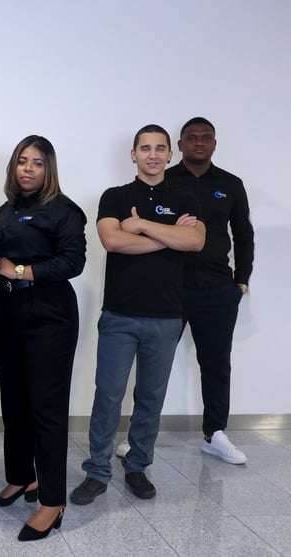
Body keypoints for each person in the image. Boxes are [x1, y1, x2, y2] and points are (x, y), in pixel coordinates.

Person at [70, 125, 205, 506]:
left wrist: (143, 226)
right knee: (108, 396)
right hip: (120, 315)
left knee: (150, 398)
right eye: (145, 148)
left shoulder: (184, 197)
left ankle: (137, 467)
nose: (153, 155)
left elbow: (195, 240)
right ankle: (97, 471)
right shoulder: (115, 196)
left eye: (160, 148)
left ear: (170, 155)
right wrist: (169, 237)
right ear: (133, 155)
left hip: (166, 317)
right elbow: (113, 240)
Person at [115, 118, 255, 465]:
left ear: (215, 144)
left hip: (217, 288)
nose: (199, 143)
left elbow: (243, 234)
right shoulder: (165, 182)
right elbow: (139, 232)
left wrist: (241, 281)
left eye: (206, 138)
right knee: (153, 365)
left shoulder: (230, 184)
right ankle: (138, 435)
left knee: (217, 363)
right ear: (179, 146)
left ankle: (215, 434)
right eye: (192, 138)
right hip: (169, 286)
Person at [0, 135, 86, 541]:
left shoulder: (63, 210)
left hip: (48, 316)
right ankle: (21, 477)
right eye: (22, 161)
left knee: (46, 408)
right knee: (15, 402)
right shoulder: (7, 209)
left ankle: (53, 500)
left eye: (37, 163)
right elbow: (0, 255)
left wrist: (19, 271)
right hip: (5, 312)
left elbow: (73, 261)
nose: (28, 168)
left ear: (48, 169)